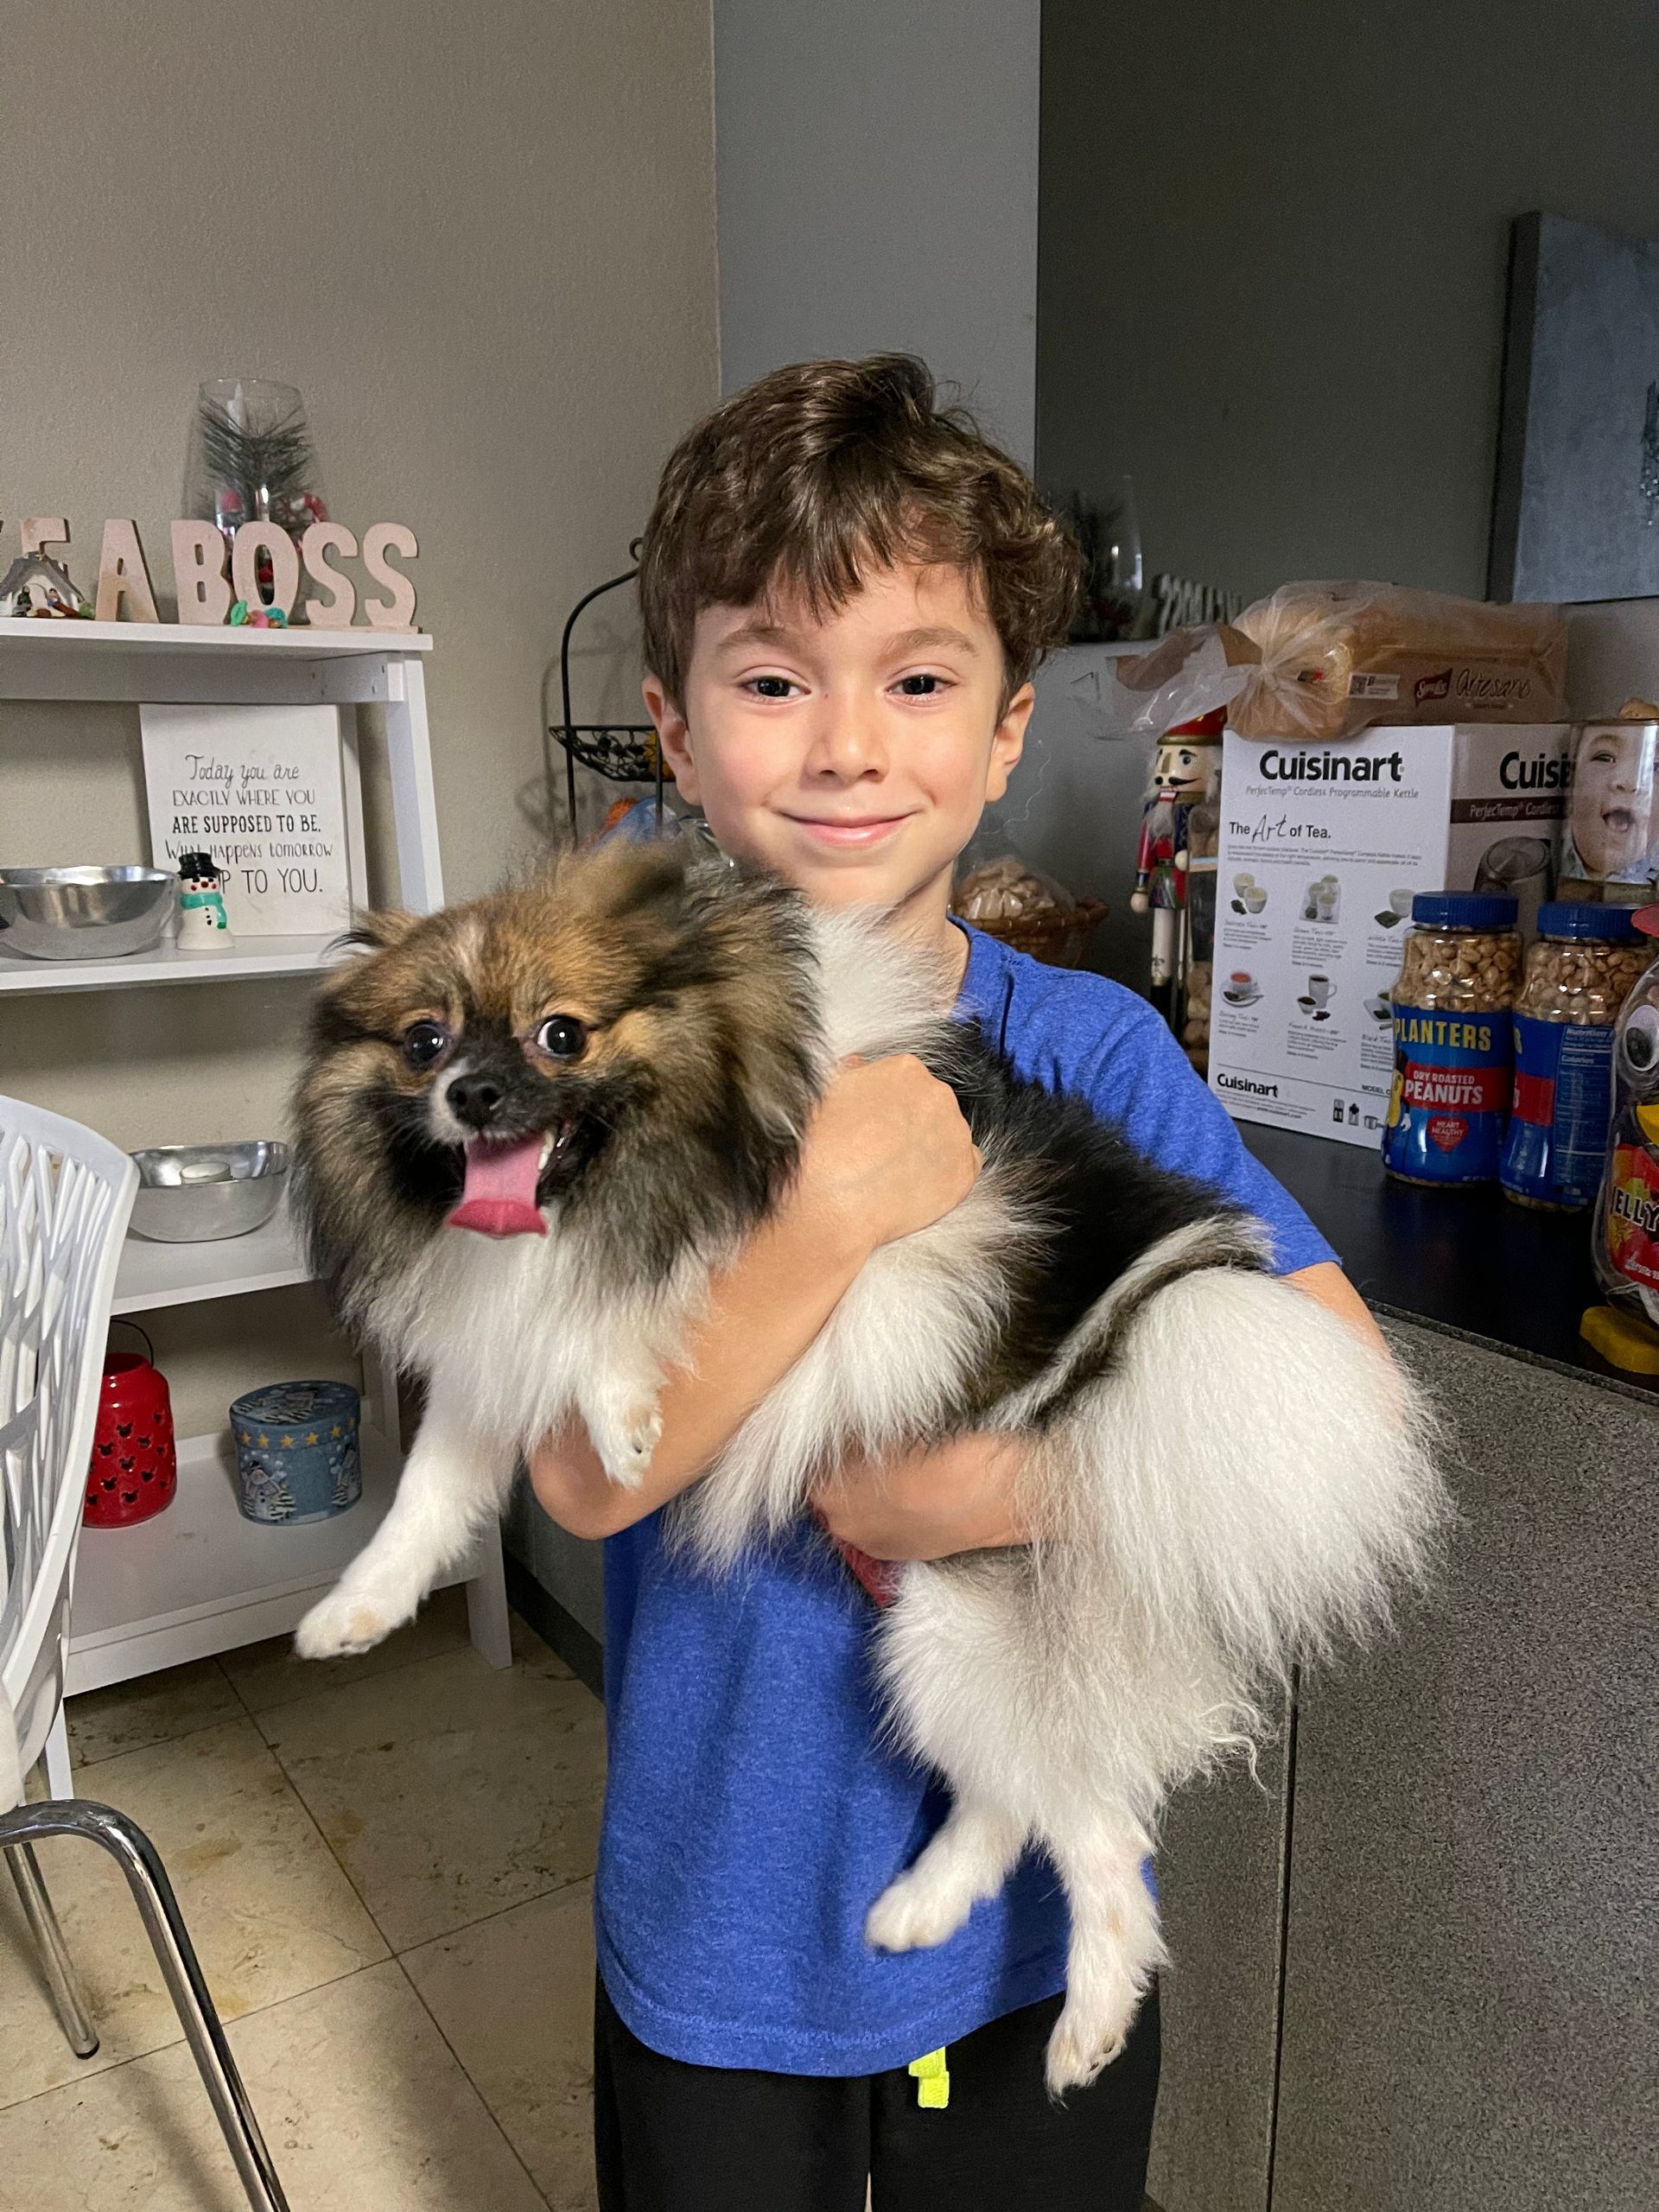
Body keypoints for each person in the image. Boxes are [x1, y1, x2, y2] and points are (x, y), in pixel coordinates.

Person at [528, 354, 1382, 2212]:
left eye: (919, 678)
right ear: (674, 730)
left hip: (1019, 1918)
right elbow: (584, 1473)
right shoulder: (596, 1058)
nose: (847, 743)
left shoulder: (1100, 1048)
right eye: (773, 677)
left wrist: (972, 1484)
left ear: (1004, 736)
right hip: (723, 1929)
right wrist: (829, 1204)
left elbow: (1345, 1395)